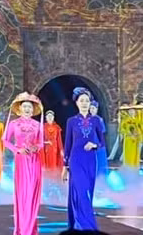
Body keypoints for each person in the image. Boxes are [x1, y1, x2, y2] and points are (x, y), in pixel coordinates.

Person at [62, 88, 105, 231]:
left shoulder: (96, 121)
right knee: (80, 191)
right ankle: (86, 226)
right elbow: (67, 144)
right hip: (76, 160)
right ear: (77, 103)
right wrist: (65, 166)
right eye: (82, 101)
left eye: (87, 101)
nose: (85, 103)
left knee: (88, 192)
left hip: (91, 160)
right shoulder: (71, 121)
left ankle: (79, 223)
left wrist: (94, 145)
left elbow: (102, 143)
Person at [3, 92, 44, 235]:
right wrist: (17, 150)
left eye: (30, 107)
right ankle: (21, 229)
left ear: (33, 110)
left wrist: (35, 147)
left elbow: (41, 143)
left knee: (32, 194)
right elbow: (5, 140)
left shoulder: (38, 125)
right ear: (20, 109)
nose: (27, 109)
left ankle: (31, 228)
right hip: (21, 162)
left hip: (34, 161)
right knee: (22, 195)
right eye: (25, 106)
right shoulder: (14, 124)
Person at [41, 110, 63, 176]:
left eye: (51, 116)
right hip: (46, 149)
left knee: (55, 165)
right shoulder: (42, 127)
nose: (50, 117)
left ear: (53, 117)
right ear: (46, 118)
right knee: (46, 165)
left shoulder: (57, 127)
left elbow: (59, 140)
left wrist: (61, 149)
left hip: (55, 149)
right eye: (48, 116)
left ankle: (54, 179)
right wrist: (45, 142)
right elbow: (39, 139)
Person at [89, 101, 108, 176]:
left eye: (93, 108)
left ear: (96, 109)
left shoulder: (99, 119)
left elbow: (102, 132)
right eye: (90, 108)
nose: (91, 110)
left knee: (99, 160)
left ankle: (100, 176)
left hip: (97, 142)